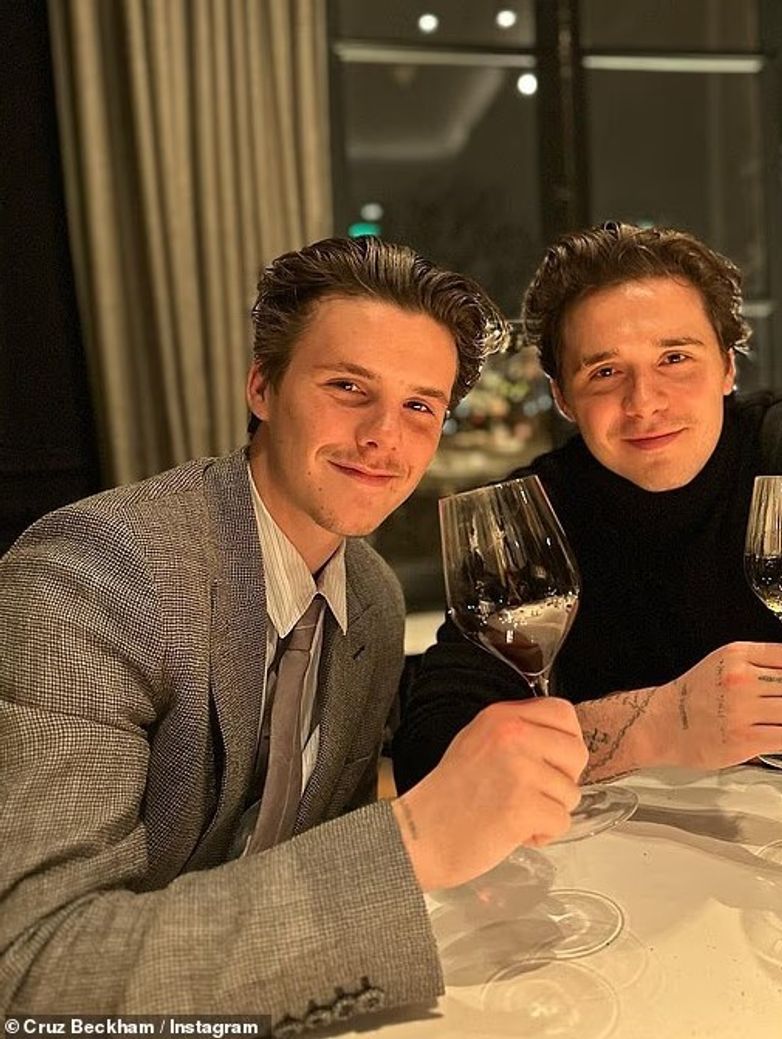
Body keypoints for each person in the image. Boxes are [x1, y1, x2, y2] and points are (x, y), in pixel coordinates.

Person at [0, 237, 588, 1024]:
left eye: (420, 406)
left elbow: (308, 857)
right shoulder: (95, 576)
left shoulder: (372, 598)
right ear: (262, 387)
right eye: (348, 386)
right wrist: (413, 842)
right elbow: (33, 977)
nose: (384, 436)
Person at [392, 222, 782, 796]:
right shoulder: (532, 518)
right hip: (608, 846)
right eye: (605, 372)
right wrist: (658, 723)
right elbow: (433, 756)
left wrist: (596, 736)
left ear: (728, 367)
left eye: (675, 358)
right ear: (562, 398)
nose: (645, 402)